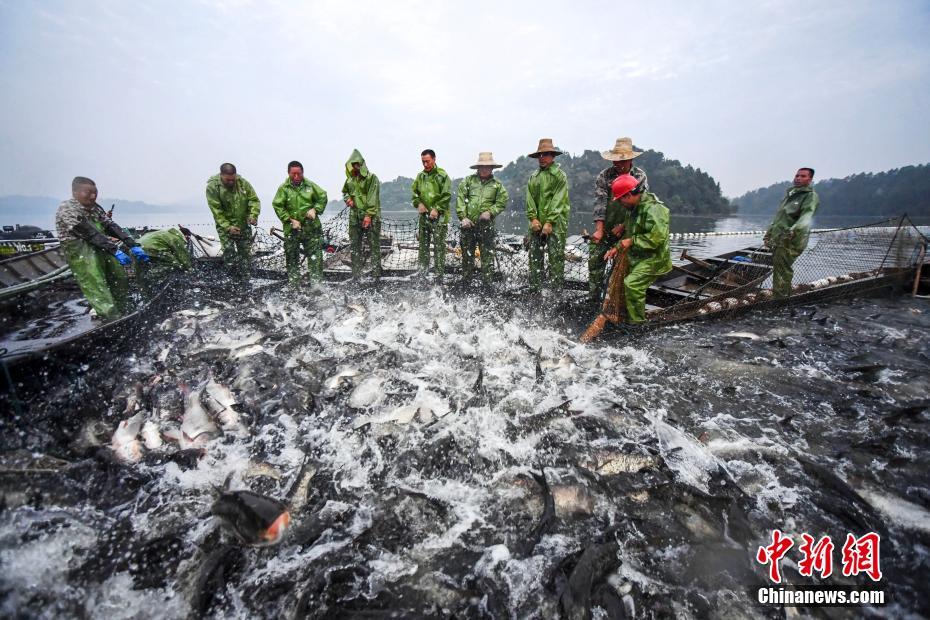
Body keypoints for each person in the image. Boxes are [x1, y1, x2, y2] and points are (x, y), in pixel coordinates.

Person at [55, 177, 150, 320]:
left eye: (95, 193)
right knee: (95, 282)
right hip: (80, 250)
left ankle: (125, 311)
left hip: (101, 246)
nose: (93, 196)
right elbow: (88, 232)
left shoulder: (95, 208)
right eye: (88, 193)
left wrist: (132, 244)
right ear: (75, 192)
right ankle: (110, 318)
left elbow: (110, 225)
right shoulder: (67, 209)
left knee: (119, 276)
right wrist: (114, 250)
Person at [604, 174, 672, 325]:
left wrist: (633, 241)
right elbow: (628, 235)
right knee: (619, 284)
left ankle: (637, 324)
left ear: (628, 195)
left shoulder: (655, 209)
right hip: (637, 257)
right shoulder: (633, 209)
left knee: (632, 284)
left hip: (655, 258)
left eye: (621, 199)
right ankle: (625, 315)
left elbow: (657, 238)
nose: (620, 203)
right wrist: (616, 248)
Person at [589, 137, 649, 303]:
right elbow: (599, 203)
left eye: (622, 161)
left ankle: (617, 303)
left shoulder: (640, 177)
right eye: (615, 161)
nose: (618, 164)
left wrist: (624, 226)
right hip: (606, 227)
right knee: (595, 262)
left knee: (623, 268)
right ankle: (594, 299)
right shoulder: (605, 175)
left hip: (628, 230)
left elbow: (641, 207)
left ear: (631, 159)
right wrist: (600, 230)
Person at [763, 168, 820, 297]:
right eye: (797, 175)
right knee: (779, 267)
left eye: (803, 176)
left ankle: (780, 301)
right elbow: (778, 218)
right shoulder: (790, 194)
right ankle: (781, 296)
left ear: (810, 179)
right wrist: (768, 234)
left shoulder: (810, 196)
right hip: (778, 237)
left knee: (783, 269)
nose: (798, 178)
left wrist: (794, 229)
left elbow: (806, 216)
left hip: (792, 240)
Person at [272, 161, 329, 287]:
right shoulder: (283, 188)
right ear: (288, 173)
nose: (296, 177)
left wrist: (315, 209)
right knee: (292, 259)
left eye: (299, 174)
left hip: (311, 229)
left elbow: (323, 197)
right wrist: (290, 219)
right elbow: (277, 205)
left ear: (303, 173)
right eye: (294, 174)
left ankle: (317, 287)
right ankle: (294, 287)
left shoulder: (310, 185)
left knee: (315, 259)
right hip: (292, 229)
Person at [456, 152, 509, 286]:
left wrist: (490, 212)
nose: (485, 169)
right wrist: (463, 217)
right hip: (468, 226)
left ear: (492, 168)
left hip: (486, 227)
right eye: (482, 166)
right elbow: (460, 199)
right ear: (478, 168)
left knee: (487, 256)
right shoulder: (468, 181)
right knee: (467, 256)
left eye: (488, 167)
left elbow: (502, 202)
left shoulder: (497, 185)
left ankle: (487, 284)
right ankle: (466, 282)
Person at [525, 138, 571, 292]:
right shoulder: (533, 177)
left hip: (556, 224)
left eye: (545, 155)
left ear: (553, 156)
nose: (542, 158)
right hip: (536, 223)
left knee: (556, 258)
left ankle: (556, 292)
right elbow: (529, 198)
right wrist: (533, 218)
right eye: (540, 155)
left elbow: (559, 199)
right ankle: (534, 290)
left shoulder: (560, 176)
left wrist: (550, 221)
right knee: (535, 258)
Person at [205, 163, 261, 281]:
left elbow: (254, 200)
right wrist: (228, 227)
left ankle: (245, 279)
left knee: (245, 254)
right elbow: (216, 210)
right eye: (228, 180)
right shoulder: (213, 187)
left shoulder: (243, 183)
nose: (231, 182)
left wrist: (253, 215)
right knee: (229, 252)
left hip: (243, 225)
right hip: (225, 226)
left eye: (233, 179)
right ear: (221, 175)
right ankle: (232, 280)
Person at [412, 149, 452, 279]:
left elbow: (446, 195)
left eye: (427, 161)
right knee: (423, 246)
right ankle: (422, 272)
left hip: (439, 218)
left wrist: (437, 209)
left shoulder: (442, 175)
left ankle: (439, 274)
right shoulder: (420, 176)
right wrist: (418, 203)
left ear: (434, 159)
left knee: (439, 248)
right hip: (424, 218)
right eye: (423, 162)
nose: (425, 165)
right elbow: (414, 194)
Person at [341, 149, 382, 279]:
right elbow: (345, 192)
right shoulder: (349, 180)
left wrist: (368, 215)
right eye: (353, 164)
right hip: (354, 216)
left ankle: (376, 274)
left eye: (357, 164)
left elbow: (372, 198)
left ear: (362, 164)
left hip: (371, 216)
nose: (355, 167)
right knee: (355, 245)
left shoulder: (372, 178)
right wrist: (347, 198)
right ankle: (356, 275)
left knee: (374, 245)